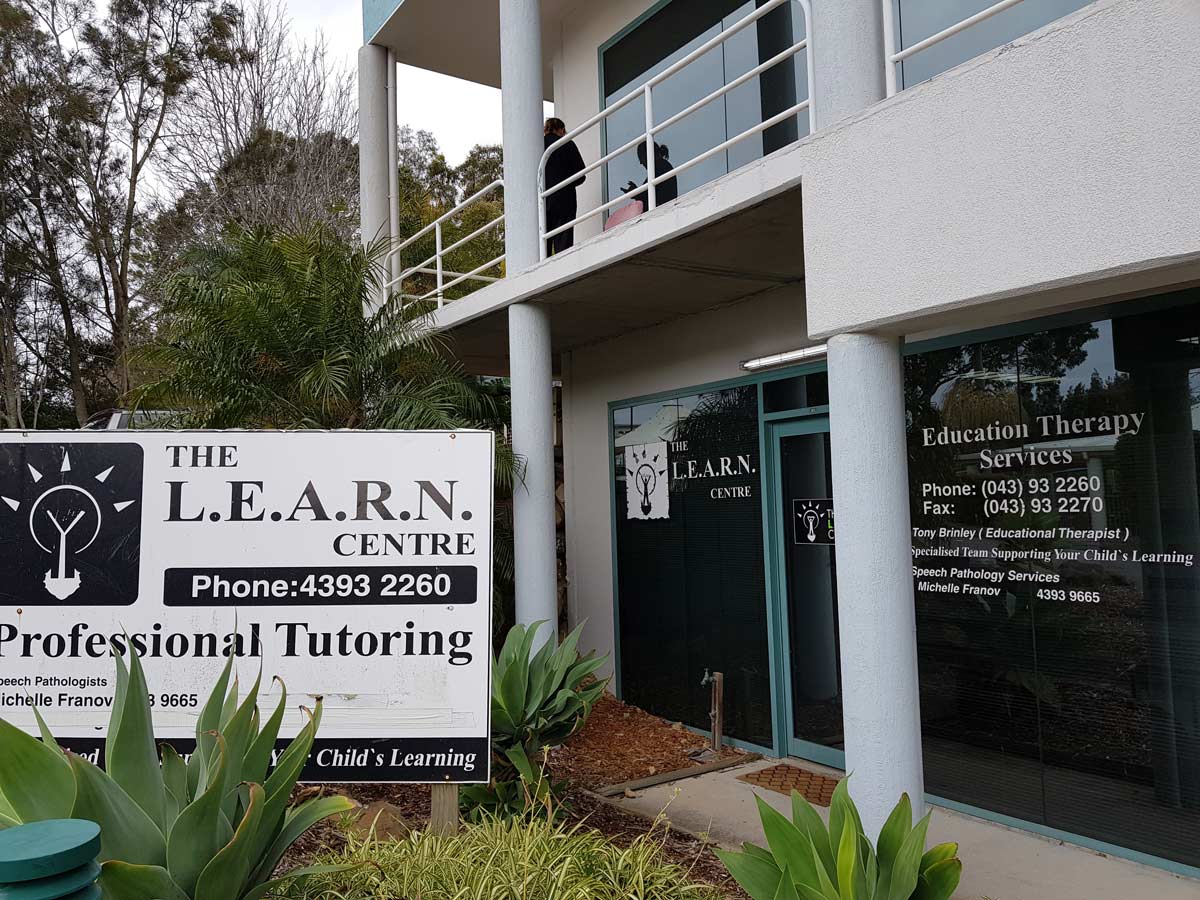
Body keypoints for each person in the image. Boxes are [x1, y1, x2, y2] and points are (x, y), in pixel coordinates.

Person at [543, 117, 587, 256]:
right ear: (561, 130)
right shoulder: (567, 145)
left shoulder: (536, 146)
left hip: (542, 201)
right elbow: (581, 175)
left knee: (543, 246)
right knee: (563, 244)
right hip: (564, 200)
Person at [623, 141, 678, 208]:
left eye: (641, 157)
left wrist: (636, 192)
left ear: (649, 154)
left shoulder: (660, 167)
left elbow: (647, 194)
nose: (641, 162)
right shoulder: (662, 166)